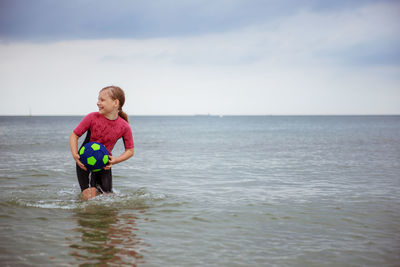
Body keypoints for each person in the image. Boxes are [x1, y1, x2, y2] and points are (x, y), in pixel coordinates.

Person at [69, 86, 134, 194]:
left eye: (102, 100)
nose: (98, 103)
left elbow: (130, 150)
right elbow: (74, 135)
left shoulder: (124, 126)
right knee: (88, 195)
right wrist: (75, 154)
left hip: (104, 165)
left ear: (115, 103)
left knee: (108, 197)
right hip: (84, 162)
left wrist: (115, 160)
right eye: (98, 99)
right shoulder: (92, 117)